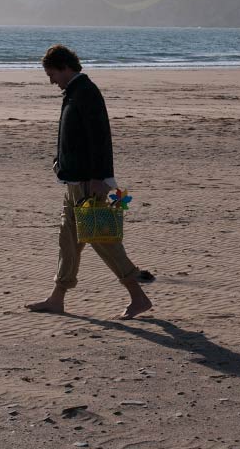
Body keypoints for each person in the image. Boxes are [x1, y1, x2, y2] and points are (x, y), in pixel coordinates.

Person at [26, 45, 153, 319]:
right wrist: (60, 162)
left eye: (51, 74)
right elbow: (73, 137)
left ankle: (138, 296)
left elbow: (101, 140)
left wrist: (100, 178)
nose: (50, 80)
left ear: (64, 67)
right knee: (68, 241)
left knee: (101, 240)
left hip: (88, 183)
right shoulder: (73, 92)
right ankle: (57, 298)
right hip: (74, 181)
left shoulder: (86, 93)